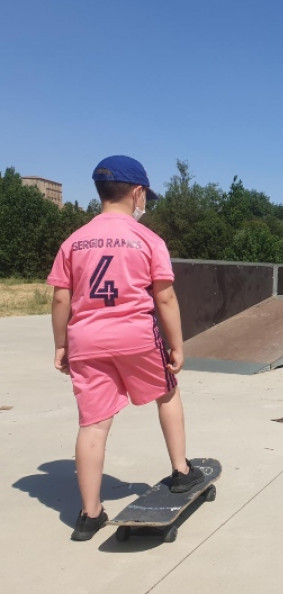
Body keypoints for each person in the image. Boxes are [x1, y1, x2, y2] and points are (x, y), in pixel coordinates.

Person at [46, 155, 204, 541]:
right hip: (135, 336)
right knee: (166, 393)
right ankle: (181, 472)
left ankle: (89, 514)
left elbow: (60, 300)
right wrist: (177, 346)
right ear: (137, 193)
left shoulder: (73, 241)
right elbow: (164, 299)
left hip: (86, 340)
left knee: (92, 424)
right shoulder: (148, 239)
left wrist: (61, 345)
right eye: (145, 196)